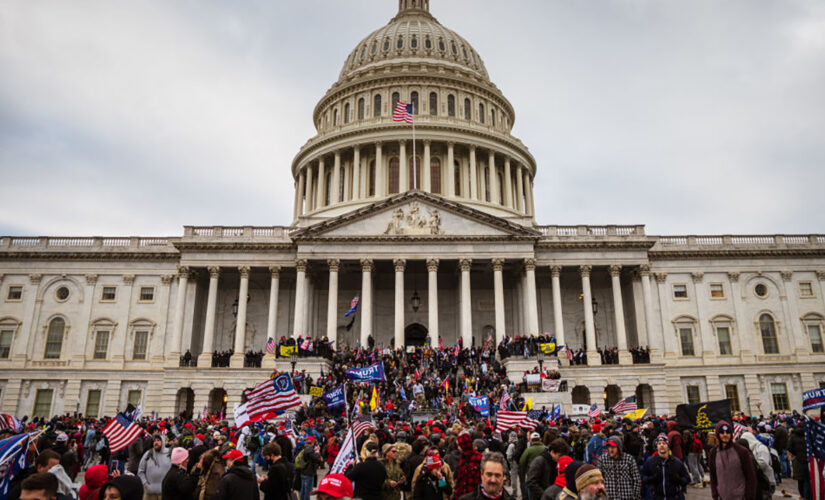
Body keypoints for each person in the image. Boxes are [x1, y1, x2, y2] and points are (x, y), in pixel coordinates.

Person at [707, 421, 757, 500]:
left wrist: (749, 497)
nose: (725, 434)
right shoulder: (713, 453)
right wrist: (715, 495)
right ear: (717, 434)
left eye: (728, 432)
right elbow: (713, 476)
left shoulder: (741, 451)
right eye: (722, 432)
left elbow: (750, 476)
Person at [641, 434, 690, 500]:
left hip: (674, 497)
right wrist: (651, 479)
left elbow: (687, 478)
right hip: (656, 496)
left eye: (664, 443)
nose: (661, 445)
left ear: (668, 446)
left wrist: (678, 479)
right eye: (659, 443)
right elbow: (644, 477)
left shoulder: (676, 462)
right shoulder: (650, 461)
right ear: (657, 446)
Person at [597, 435, 640, 500]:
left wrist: (635, 496)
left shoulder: (629, 459)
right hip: (609, 496)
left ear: (619, 447)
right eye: (609, 447)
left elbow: (637, 479)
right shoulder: (602, 459)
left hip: (626, 496)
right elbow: (599, 479)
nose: (611, 449)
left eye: (613, 447)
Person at [139, 435, 172, 500]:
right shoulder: (148, 454)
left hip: (165, 493)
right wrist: (145, 484)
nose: (156, 442)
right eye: (154, 441)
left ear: (163, 441)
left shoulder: (170, 453)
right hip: (149, 493)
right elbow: (140, 471)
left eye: (158, 440)